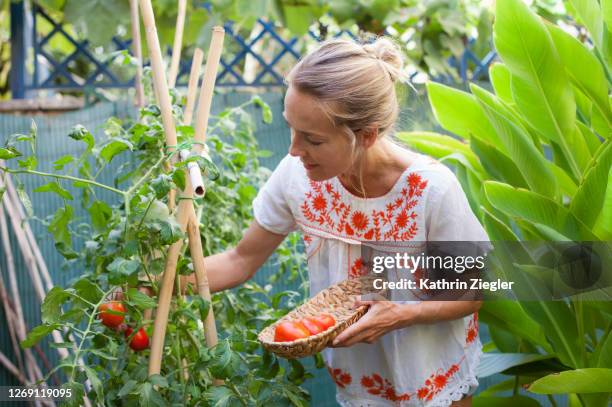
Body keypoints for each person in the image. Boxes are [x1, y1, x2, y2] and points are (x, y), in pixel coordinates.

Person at [183, 37, 488, 407]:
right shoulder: (297, 176)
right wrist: (163, 287)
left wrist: (399, 315)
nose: (294, 149)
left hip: (433, 382)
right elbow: (240, 260)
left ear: (368, 135)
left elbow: (472, 293)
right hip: (359, 385)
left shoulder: (430, 190)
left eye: (312, 139)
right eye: (291, 129)